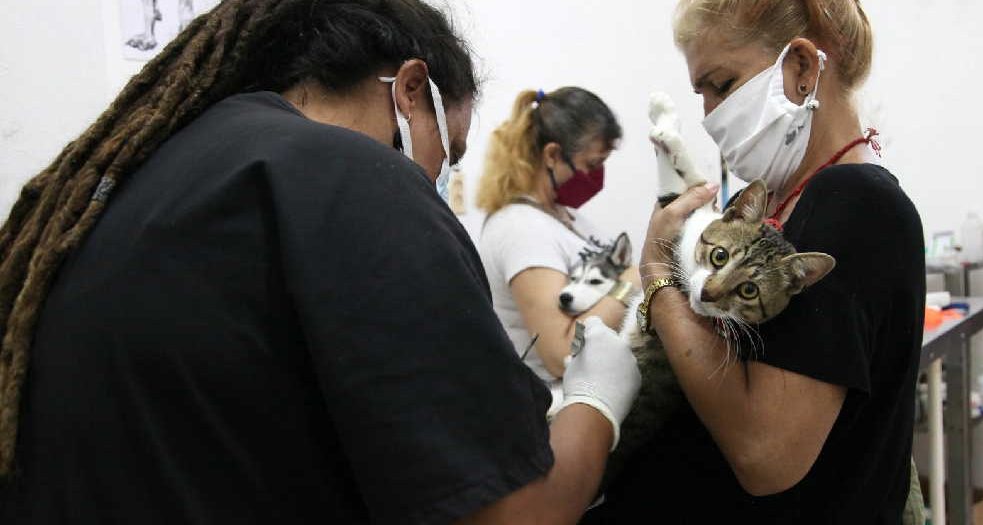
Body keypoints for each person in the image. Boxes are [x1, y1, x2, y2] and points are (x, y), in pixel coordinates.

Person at [0, 1, 642, 523]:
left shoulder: (147, 177)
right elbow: (517, 514)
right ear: (411, 91)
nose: (442, 177)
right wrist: (596, 398)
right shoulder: (353, 173)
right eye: (450, 151)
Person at [583, 1, 925, 523]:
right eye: (701, 94)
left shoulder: (852, 201)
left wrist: (657, 277)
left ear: (803, 68)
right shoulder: (792, 201)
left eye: (721, 85)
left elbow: (765, 455)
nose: (709, 116)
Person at [477, 88, 640, 416]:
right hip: (558, 412)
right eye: (592, 164)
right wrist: (630, 283)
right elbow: (562, 352)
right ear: (552, 155)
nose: (596, 177)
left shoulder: (569, 218)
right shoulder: (520, 228)